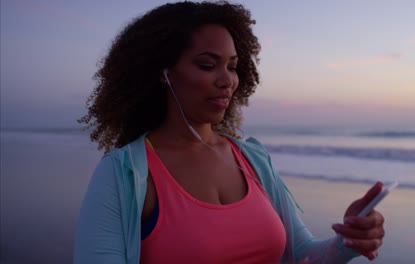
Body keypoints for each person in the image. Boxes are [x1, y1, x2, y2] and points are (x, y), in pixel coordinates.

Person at [74, 1, 385, 263]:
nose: (227, 81)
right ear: (163, 72)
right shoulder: (125, 174)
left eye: (232, 67)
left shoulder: (251, 159)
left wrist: (347, 241)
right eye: (208, 66)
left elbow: (302, 252)